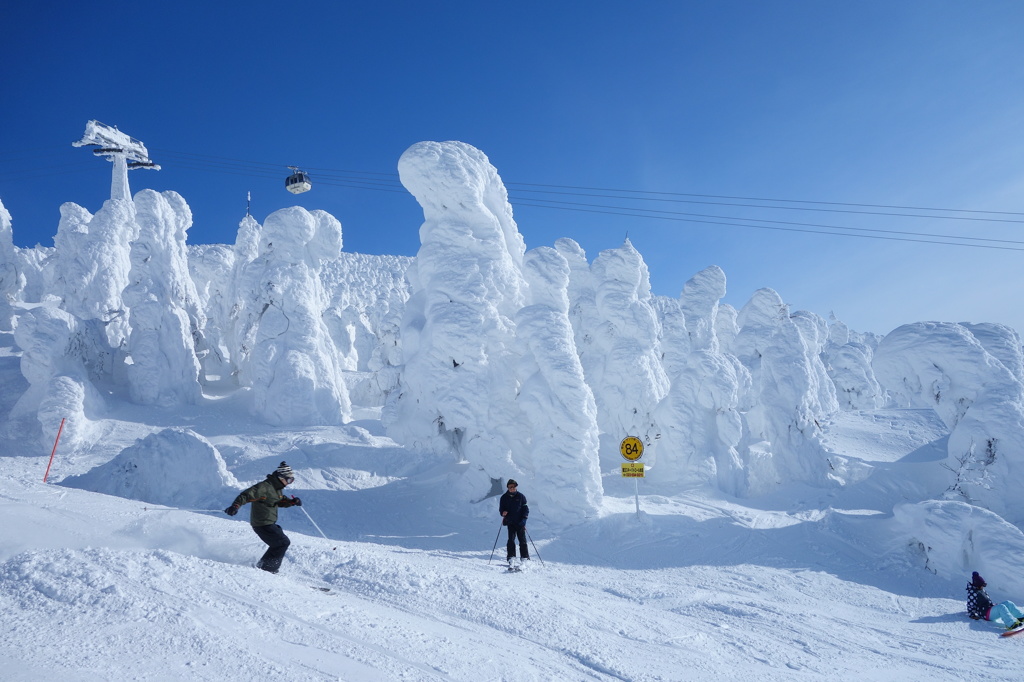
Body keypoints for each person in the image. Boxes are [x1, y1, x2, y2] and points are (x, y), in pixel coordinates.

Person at [224, 461, 302, 574]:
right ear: (281, 477)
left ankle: (263, 567)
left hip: (268, 522)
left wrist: (292, 502)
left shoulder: (276, 488)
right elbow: (246, 495)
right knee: (283, 542)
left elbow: (279, 501)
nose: (289, 483)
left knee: (278, 544)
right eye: (289, 480)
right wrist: (235, 506)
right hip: (262, 524)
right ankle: (268, 569)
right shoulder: (264, 487)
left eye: (292, 480)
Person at [499, 479, 529, 565]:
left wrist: (524, 519)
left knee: (522, 540)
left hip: (520, 522)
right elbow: (501, 509)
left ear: (516, 487)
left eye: (513, 486)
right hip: (510, 522)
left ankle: (525, 558)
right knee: (511, 540)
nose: (512, 488)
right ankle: (511, 558)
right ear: (508, 487)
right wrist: (503, 513)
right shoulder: (504, 498)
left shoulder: (521, 496)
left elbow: (525, 509)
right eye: (510, 487)